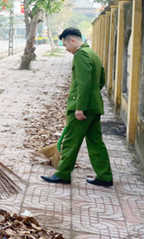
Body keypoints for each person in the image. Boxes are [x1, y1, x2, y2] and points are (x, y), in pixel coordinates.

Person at [41, 28, 113, 187]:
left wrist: (80, 107)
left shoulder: (80, 55)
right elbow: (101, 79)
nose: (66, 49)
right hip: (94, 106)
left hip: (83, 108)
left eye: (65, 44)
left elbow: (83, 83)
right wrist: (92, 96)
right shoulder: (92, 53)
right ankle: (105, 175)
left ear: (72, 40)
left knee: (71, 142)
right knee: (96, 142)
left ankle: (62, 173)